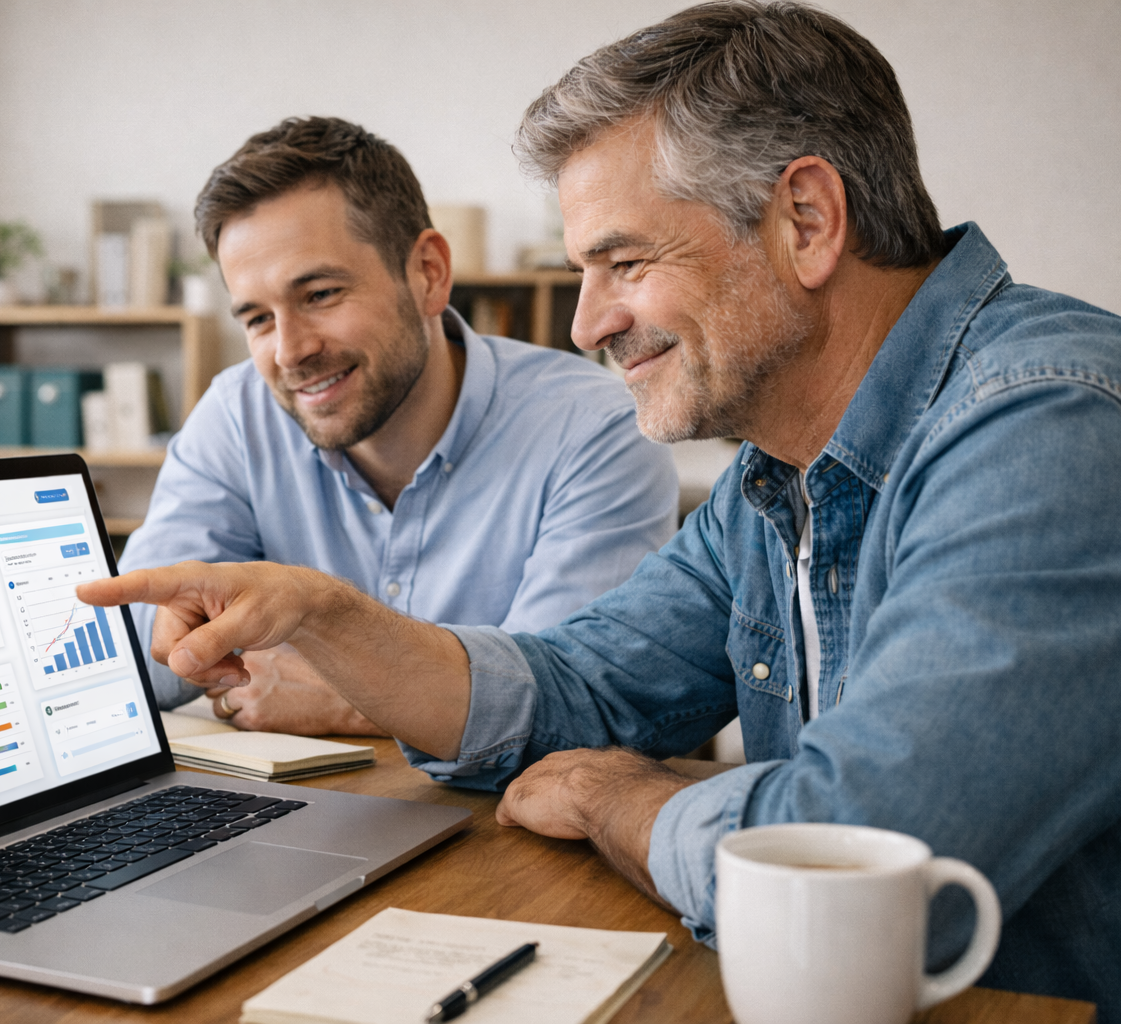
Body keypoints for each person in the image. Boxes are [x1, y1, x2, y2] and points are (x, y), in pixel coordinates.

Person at [83, 2, 1121, 1013]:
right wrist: (329, 614)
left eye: (624, 262)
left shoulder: (1051, 428)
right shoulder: (773, 480)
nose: (587, 324)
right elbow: (580, 684)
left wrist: (614, 798)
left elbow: (864, 862)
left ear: (807, 221)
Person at [117, 116, 678, 735]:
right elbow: (137, 654)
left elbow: (564, 704)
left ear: (429, 273)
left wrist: (345, 693)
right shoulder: (235, 416)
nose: (288, 351)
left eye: (321, 294)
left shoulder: (595, 430)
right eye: (256, 318)